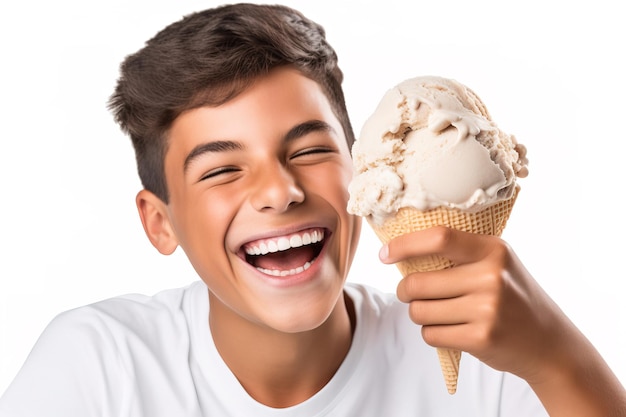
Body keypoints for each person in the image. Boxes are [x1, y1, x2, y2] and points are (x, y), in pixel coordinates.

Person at [0, 3, 624, 416]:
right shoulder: (98, 368)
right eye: (222, 169)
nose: (280, 191)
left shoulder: (489, 364)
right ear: (159, 222)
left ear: (363, 170)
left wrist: (556, 358)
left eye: (309, 149)